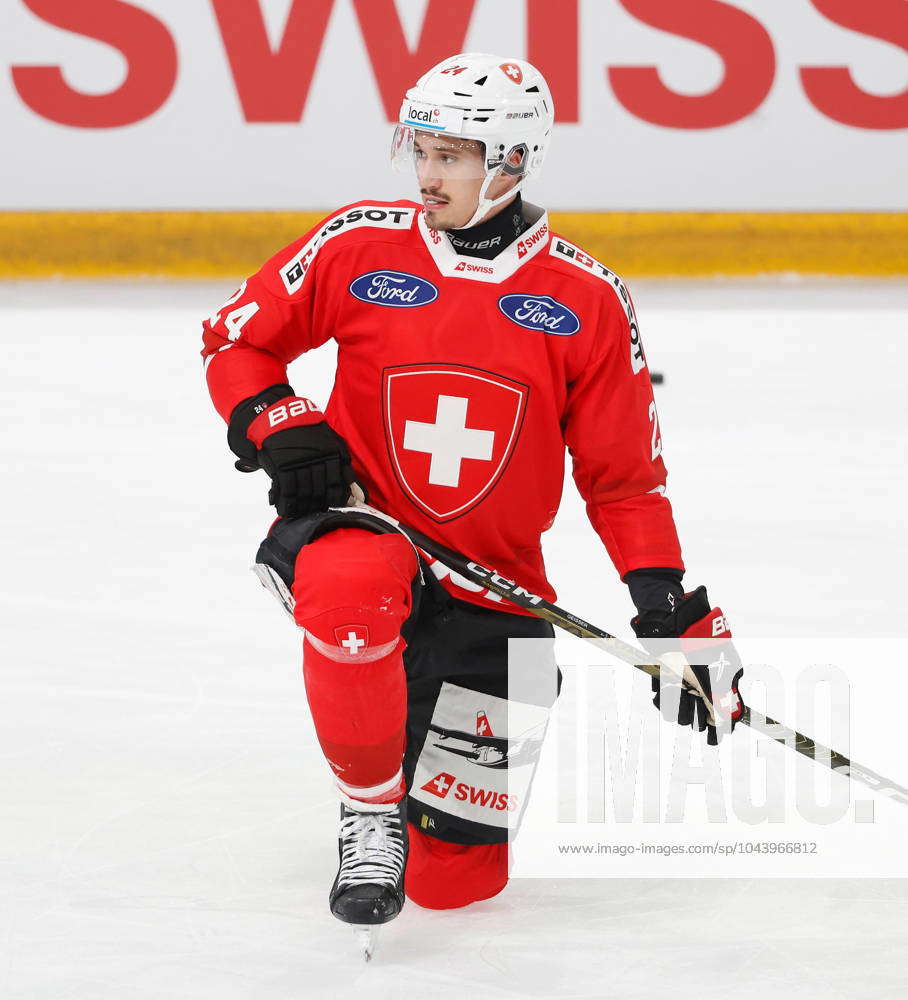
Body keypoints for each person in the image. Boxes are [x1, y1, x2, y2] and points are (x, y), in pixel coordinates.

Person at [200, 52, 745, 936]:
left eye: (452, 155)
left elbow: (624, 478)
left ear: (514, 161)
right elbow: (235, 340)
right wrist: (279, 419)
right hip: (364, 530)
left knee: (457, 887)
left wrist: (669, 608)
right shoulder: (356, 241)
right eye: (421, 150)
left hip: (493, 586)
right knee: (347, 595)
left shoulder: (587, 299)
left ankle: (410, 787)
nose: (427, 174)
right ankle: (369, 813)